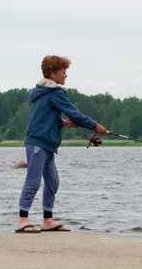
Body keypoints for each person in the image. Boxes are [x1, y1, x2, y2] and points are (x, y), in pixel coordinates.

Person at [16, 55, 109, 233]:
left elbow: (43, 116)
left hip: (46, 143)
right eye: (63, 72)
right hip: (37, 142)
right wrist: (95, 126)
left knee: (53, 182)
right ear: (53, 74)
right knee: (33, 181)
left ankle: (48, 221)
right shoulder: (54, 92)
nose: (66, 76)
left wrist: (61, 122)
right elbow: (75, 114)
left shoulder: (43, 92)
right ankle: (22, 220)